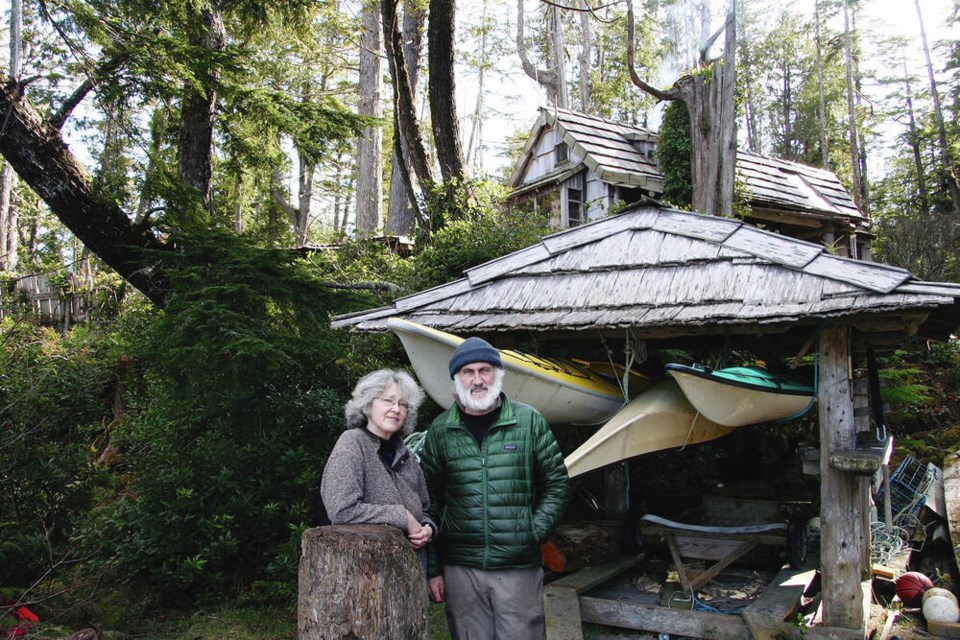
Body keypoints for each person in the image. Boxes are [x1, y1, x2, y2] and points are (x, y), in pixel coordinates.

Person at [420, 337, 570, 639]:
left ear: (498, 374)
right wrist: (433, 569)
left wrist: (533, 530)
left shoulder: (529, 422)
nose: (477, 379)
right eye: (468, 372)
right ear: (457, 379)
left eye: (485, 370)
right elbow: (428, 503)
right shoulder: (440, 431)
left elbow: (557, 484)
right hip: (461, 567)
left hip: (517, 566)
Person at [320, 369, 436, 567]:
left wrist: (427, 529)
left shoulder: (407, 455)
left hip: (412, 578)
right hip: (367, 579)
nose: (396, 409)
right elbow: (342, 510)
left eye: (402, 404)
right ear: (368, 405)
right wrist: (403, 517)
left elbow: (425, 509)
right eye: (388, 400)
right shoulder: (352, 443)